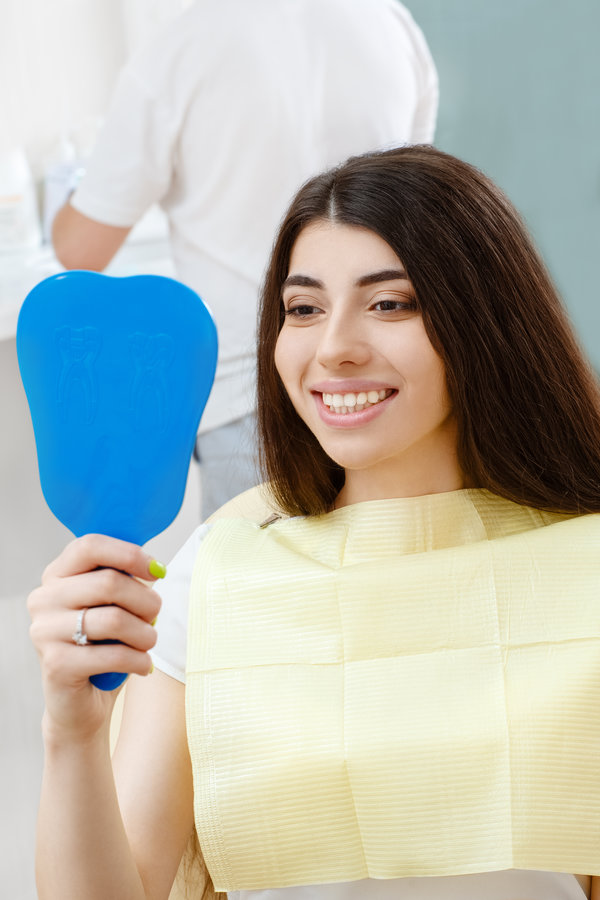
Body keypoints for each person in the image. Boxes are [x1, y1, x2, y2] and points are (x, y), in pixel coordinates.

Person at [29, 145, 600, 900]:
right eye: (303, 309)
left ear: (483, 321)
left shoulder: (582, 561)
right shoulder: (218, 572)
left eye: (390, 303)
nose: (334, 349)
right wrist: (74, 732)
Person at [50, 0, 439, 519]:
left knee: (254, 587)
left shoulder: (180, 48)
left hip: (246, 389)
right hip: (382, 377)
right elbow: (418, 195)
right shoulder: (389, 23)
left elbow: (80, 250)